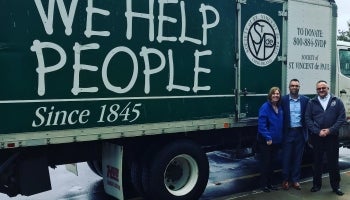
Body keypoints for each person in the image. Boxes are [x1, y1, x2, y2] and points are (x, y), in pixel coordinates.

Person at [305, 80, 346, 196]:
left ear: (328, 88)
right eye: (319, 89)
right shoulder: (311, 102)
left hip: (332, 136)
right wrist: (317, 131)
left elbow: (341, 117)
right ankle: (316, 185)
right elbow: (307, 119)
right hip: (317, 137)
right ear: (316, 90)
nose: (321, 90)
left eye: (323, 88)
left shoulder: (336, 101)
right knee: (317, 162)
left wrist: (330, 130)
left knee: (333, 162)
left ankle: (336, 186)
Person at [281, 79, 309, 190]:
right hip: (288, 132)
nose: (294, 87)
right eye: (292, 85)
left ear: (299, 87)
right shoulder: (283, 100)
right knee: (286, 158)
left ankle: (295, 180)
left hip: (300, 133)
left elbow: (309, 116)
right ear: (289, 87)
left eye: (296, 86)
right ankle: (285, 180)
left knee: (298, 158)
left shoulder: (305, 100)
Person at [257, 87, 283, 192]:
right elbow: (261, 125)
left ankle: (270, 184)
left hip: (276, 141)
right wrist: (268, 137)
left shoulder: (279, 107)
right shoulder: (265, 107)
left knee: (273, 164)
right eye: (274, 94)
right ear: (270, 95)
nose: (276, 95)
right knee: (266, 163)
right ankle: (264, 185)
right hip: (267, 141)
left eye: (278, 94)